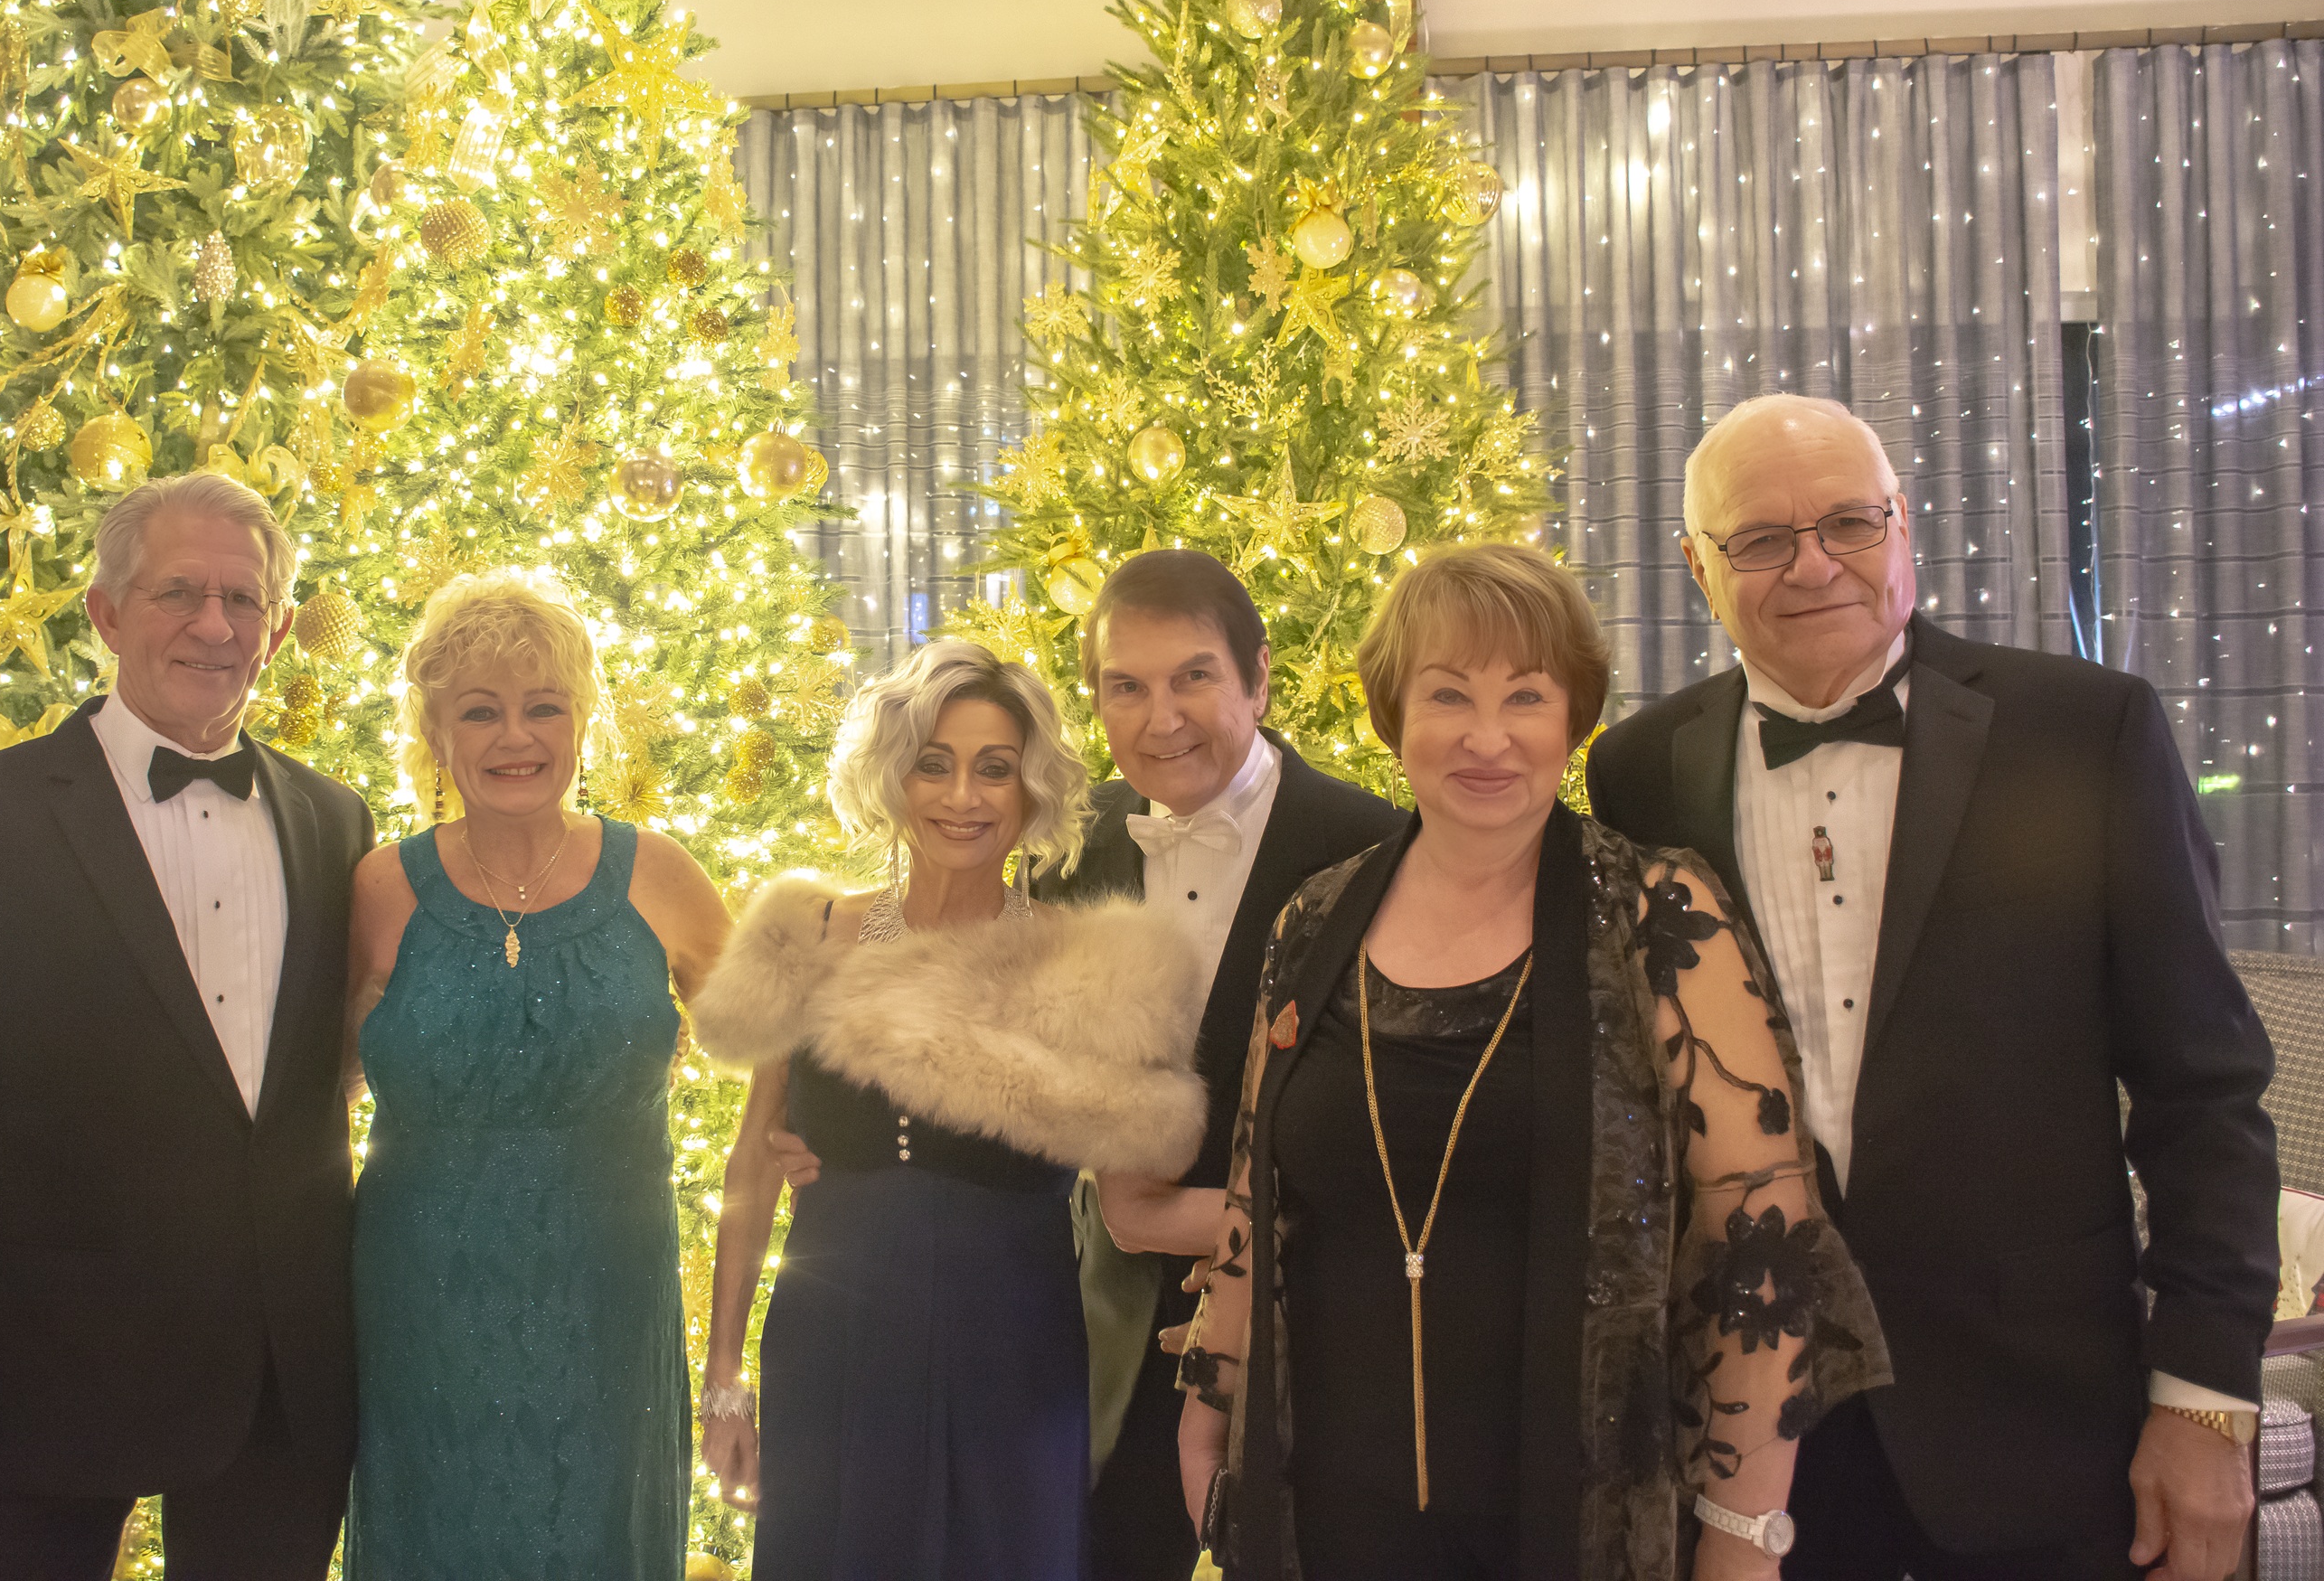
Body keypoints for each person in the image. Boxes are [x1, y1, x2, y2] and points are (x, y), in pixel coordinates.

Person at [1586, 393, 2280, 1581]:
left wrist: (2205, 1401)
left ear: (1903, 525)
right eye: (1761, 540)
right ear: (1698, 566)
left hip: (2049, 1435)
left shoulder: (2084, 729)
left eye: (1849, 523)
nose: (1814, 565)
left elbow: (2203, 1091)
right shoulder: (1638, 770)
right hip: (1765, 1455)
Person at [1178, 542, 1888, 1581]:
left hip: (1577, 1510)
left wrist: (1746, 1534)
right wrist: (1207, 1406)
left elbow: (1761, 1242)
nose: (1487, 736)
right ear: (1393, 712)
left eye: (1525, 695)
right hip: (1328, 1507)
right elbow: (1257, 1194)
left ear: (1573, 717)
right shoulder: (1314, 919)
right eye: (1448, 694)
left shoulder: (1659, 915)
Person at [762, 549, 1405, 1580]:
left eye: (1193, 676)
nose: (1162, 717)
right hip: (1092, 1336)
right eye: (1126, 686)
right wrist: (830, 1130)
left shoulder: (1372, 850)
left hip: (1311, 1326)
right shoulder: (1061, 841)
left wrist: (1263, 1241)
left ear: (1259, 678)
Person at [0, 471, 375, 1579]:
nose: (214, 624)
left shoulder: (336, 820)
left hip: (281, 1384)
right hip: (46, 1375)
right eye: (179, 592)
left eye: (244, 598)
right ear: (106, 612)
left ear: (276, 629)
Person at [692, 638, 1209, 1580]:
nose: (962, 796)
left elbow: (1136, 1204)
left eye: (994, 768)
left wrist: (1280, 1224)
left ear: (1032, 789)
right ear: (893, 775)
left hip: (1015, 1354)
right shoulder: (809, 932)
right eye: (934, 763)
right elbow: (754, 1162)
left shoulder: (1087, 967)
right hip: (834, 1344)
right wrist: (723, 1379)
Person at [343, 569, 729, 1579]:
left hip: (609, 1300)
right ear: (434, 732)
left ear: (583, 719)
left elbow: (776, 1043)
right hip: (420, 1304)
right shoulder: (379, 888)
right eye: (481, 710)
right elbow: (314, 1092)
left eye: (544, 706)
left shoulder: (661, 874)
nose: (516, 736)